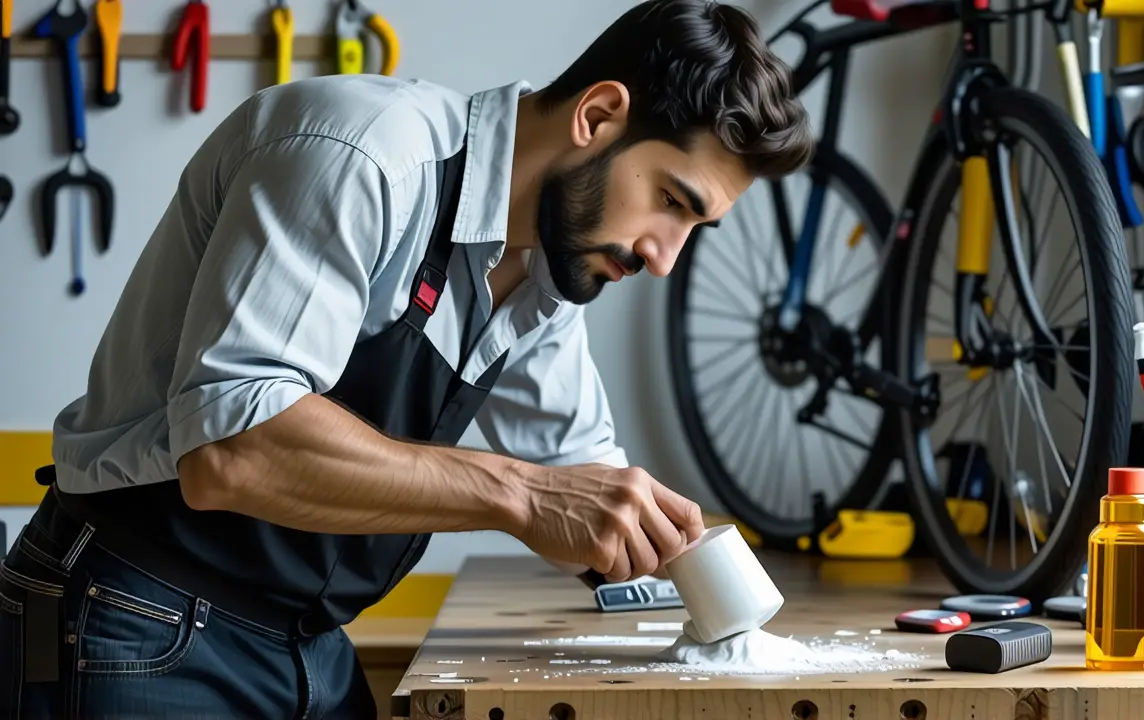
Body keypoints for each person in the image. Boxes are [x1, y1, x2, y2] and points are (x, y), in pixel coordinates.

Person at [0, 0, 812, 716]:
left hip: (306, 644)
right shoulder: (363, 154)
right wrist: (521, 496)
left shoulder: (548, 267)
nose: (664, 258)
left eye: (694, 229)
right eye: (672, 202)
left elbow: (579, 474)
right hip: (135, 617)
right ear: (599, 116)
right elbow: (232, 448)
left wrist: (692, 568)